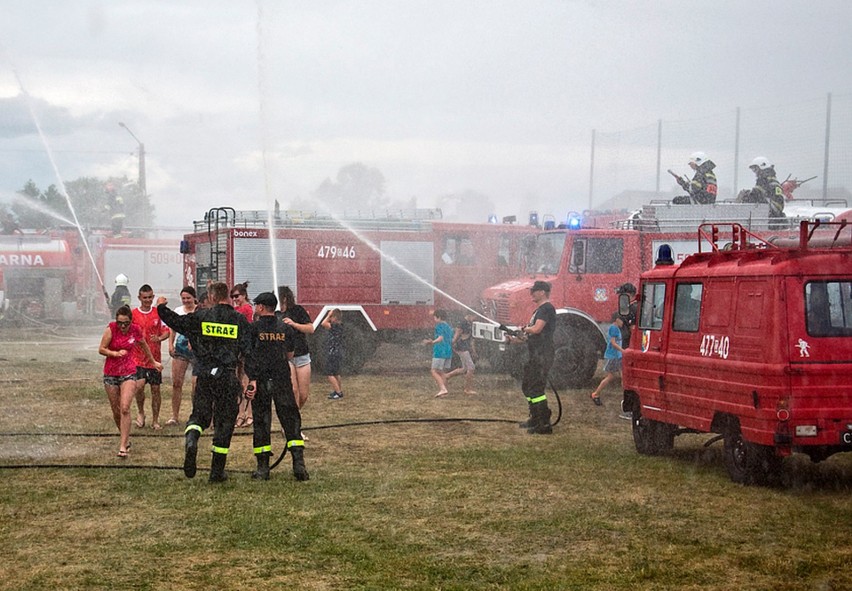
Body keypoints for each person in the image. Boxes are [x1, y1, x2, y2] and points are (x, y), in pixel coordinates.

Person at [157, 282, 256, 483]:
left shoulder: (201, 317)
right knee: (225, 422)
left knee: (199, 416)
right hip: (227, 377)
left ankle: (192, 439)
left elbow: (176, 322)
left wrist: (161, 307)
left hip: (204, 374)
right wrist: (251, 378)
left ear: (210, 297)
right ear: (227, 296)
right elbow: (249, 351)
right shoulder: (238, 320)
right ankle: (216, 472)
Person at [248, 291, 309, 481]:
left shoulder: (254, 328)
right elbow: (290, 355)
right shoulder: (286, 328)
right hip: (282, 379)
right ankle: (299, 465)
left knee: (261, 421)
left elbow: (249, 356)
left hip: (261, 380)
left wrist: (252, 379)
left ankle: (263, 468)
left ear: (260, 307)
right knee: (290, 419)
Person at [98, 305, 161, 458]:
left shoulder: (135, 330)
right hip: (111, 373)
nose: (123, 326)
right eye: (120, 323)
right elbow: (101, 349)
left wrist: (153, 362)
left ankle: (122, 446)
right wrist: (115, 353)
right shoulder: (111, 329)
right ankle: (125, 438)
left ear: (131, 322)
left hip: (129, 372)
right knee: (116, 410)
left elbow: (144, 345)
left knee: (125, 407)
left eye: (126, 323)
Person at [508, 280, 556, 435]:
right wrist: (514, 338)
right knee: (527, 386)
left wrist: (523, 329)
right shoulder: (539, 310)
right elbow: (532, 336)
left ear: (542, 292)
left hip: (542, 355)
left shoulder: (546, 309)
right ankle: (535, 417)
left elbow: (537, 329)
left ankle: (544, 423)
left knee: (536, 388)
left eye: (534, 291)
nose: (531, 294)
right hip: (535, 353)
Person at [132, 284, 170, 430]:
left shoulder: (158, 313)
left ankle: (155, 420)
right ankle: (141, 413)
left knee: (155, 389)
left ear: (153, 297)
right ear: (139, 298)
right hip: (138, 358)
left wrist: (159, 338)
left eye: (150, 297)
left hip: (154, 359)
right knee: (139, 386)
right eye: (144, 298)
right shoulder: (134, 314)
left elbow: (167, 331)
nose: (147, 300)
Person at [277, 286, 315, 412]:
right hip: (286, 357)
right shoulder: (275, 314)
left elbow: (310, 328)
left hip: (302, 355)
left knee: (303, 394)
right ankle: (292, 427)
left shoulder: (298, 310)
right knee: (293, 391)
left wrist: (294, 324)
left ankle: (291, 420)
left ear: (286, 298)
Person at [166, 286, 198, 426]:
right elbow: (172, 329)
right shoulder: (178, 311)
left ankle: (196, 414)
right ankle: (175, 416)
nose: (186, 301)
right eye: (183, 298)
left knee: (196, 385)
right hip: (180, 349)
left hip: (196, 351)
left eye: (188, 298)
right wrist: (170, 345)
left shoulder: (199, 311)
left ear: (194, 298)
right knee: (176, 383)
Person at [737, 156, 786, 228]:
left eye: (755, 169)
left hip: (770, 215)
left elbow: (755, 196)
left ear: (762, 167)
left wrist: (744, 196)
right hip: (775, 215)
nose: (755, 172)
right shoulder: (772, 179)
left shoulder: (763, 180)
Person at [231, 282, 254, 428]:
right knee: (238, 383)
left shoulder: (247, 309)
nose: (235, 299)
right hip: (236, 349)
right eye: (232, 297)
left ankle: (249, 414)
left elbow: (246, 330)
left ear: (244, 295)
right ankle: (240, 414)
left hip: (245, 350)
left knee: (246, 382)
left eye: (237, 296)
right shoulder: (236, 309)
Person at [591, 312, 624, 406]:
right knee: (613, 376)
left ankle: (596, 394)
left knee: (620, 376)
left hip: (617, 356)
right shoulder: (614, 328)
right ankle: (595, 394)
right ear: (617, 320)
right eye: (621, 320)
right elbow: (613, 343)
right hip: (613, 356)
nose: (623, 322)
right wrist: (623, 350)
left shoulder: (615, 328)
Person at [422, 309, 454, 397]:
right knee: (442, 372)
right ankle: (444, 392)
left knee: (434, 371)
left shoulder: (439, 326)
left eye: (435, 318)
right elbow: (451, 339)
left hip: (440, 351)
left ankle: (442, 389)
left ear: (439, 317)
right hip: (448, 351)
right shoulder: (449, 327)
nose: (434, 319)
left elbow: (440, 338)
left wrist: (431, 342)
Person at [445, 311, 477, 394]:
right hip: (461, 347)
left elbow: (471, 339)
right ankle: (467, 389)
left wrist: (473, 351)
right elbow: (457, 333)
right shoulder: (463, 323)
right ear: (470, 315)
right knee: (471, 367)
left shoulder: (468, 323)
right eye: (474, 316)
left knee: (464, 368)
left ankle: (447, 376)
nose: (475, 319)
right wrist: (452, 343)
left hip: (464, 347)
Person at [321, 308, 345, 400]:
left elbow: (323, 323)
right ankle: (338, 390)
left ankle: (338, 393)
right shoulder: (341, 326)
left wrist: (328, 315)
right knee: (336, 372)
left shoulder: (335, 326)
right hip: (338, 352)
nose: (330, 319)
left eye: (331, 317)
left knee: (330, 373)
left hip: (333, 353)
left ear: (335, 317)